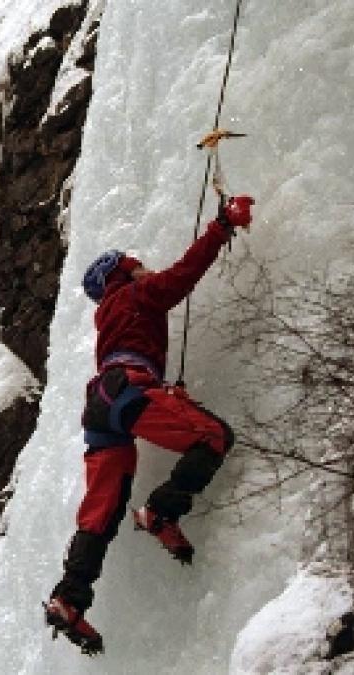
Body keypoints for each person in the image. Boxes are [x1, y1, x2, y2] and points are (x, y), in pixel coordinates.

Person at [43, 194, 255, 655]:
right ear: (122, 275)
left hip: (102, 401)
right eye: (136, 266)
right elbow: (182, 276)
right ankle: (162, 511)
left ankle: (69, 598)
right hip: (127, 389)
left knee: (101, 510)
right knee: (214, 436)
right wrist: (220, 227)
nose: (144, 270)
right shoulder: (136, 293)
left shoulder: (111, 314)